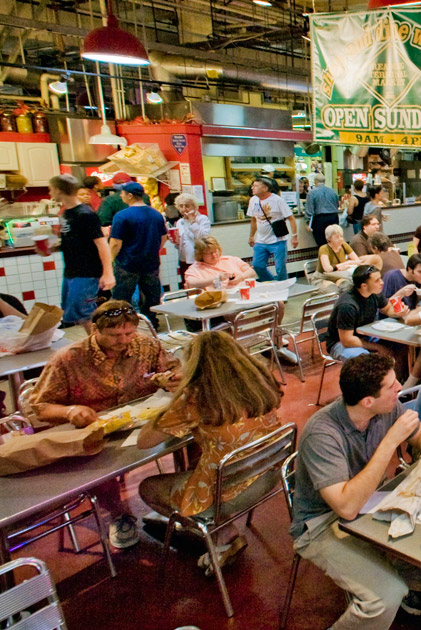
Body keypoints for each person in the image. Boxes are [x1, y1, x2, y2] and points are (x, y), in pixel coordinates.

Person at [292, 353, 421, 625]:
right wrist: (391, 441)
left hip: (370, 503)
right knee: (386, 595)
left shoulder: (385, 408)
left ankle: (412, 590)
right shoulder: (322, 432)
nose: (400, 387)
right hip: (321, 524)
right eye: (392, 386)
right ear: (368, 401)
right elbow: (345, 506)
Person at [29, 300, 180, 548]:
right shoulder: (68, 359)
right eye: (114, 335)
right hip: (97, 429)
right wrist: (69, 411)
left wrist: (172, 378)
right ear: (94, 330)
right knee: (99, 461)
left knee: (189, 433)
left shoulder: (145, 345)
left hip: (140, 420)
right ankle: (118, 515)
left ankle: (187, 504)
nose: (124, 341)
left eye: (129, 333)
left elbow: (171, 368)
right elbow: (39, 407)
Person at [137, 331, 282, 572]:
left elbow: (144, 441)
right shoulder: (260, 383)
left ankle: (222, 535)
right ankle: (222, 532)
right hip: (267, 474)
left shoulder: (195, 400)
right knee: (198, 463)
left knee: (149, 488)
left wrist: (181, 394)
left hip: (229, 490)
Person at [50, 174, 114, 332]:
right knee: (77, 312)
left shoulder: (85, 214)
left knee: (86, 313)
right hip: (72, 271)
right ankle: (96, 345)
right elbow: (73, 240)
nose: (50, 194)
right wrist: (51, 247)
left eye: (51, 190)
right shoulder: (67, 213)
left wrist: (108, 273)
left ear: (59, 190)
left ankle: (100, 348)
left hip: (87, 272)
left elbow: (101, 243)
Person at [109, 180, 168, 329]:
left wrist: (110, 261)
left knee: (122, 298)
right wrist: (151, 250)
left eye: (122, 193)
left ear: (129, 195)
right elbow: (163, 238)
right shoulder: (156, 214)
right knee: (151, 296)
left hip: (127, 264)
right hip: (151, 263)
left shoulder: (122, 216)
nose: (121, 196)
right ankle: (151, 323)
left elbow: (116, 243)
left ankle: (122, 326)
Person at [325, 265, 408, 361]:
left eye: (380, 278)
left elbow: (388, 309)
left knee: (400, 345)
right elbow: (347, 340)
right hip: (340, 343)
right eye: (377, 281)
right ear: (364, 286)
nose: (382, 282)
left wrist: (398, 312)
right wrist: (377, 347)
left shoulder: (375, 293)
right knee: (366, 361)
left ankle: (397, 375)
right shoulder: (347, 305)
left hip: (366, 336)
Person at [247, 178, 297, 282]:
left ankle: (283, 289)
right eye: (253, 185)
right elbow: (253, 220)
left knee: (280, 268)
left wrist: (294, 236)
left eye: (256, 186)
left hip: (278, 240)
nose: (252, 188)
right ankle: (272, 283)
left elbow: (291, 218)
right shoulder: (253, 200)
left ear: (265, 188)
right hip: (261, 240)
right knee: (257, 265)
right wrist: (251, 236)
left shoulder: (277, 200)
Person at [185, 237, 256, 289]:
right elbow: (191, 284)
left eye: (215, 251)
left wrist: (241, 277)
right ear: (200, 254)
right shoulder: (195, 269)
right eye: (209, 253)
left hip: (243, 293)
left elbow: (251, 271)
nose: (214, 255)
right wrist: (216, 279)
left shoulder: (230, 259)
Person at [305, 173, 342, 248]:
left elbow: (309, 210)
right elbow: (337, 205)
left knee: (322, 242)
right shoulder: (333, 191)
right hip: (333, 217)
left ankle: (324, 257)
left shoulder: (312, 193)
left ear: (315, 181)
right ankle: (334, 257)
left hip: (320, 219)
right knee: (334, 240)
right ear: (325, 181)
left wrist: (307, 223)